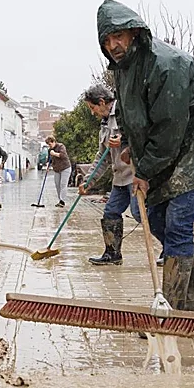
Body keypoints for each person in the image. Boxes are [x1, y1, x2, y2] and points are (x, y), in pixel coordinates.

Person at [96, 0, 194, 311]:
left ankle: (171, 307)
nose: (113, 45)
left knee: (178, 222)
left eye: (118, 36)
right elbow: (131, 115)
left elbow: (169, 128)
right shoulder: (124, 69)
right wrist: (130, 144)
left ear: (133, 33)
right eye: (107, 39)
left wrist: (143, 171)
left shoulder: (166, 64)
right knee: (151, 215)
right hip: (164, 153)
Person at [77, 83, 143, 266]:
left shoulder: (124, 111)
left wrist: (124, 140)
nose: (92, 112)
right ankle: (112, 254)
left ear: (101, 102)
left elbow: (143, 133)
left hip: (136, 174)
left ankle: (170, 249)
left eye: (92, 108)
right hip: (120, 178)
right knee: (111, 212)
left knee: (140, 213)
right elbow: (102, 157)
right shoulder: (105, 123)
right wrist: (88, 181)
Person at [45, 135, 71, 206]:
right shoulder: (49, 150)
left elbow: (63, 155)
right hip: (57, 169)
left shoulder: (61, 146)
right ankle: (60, 200)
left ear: (53, 142)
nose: (49, 146)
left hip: (65, 168)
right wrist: (48, 166)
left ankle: (62, 201)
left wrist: (55, 154)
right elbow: (49, 160)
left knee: (63, 184)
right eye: (48, 145)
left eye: (50, 144)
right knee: (57, 185)